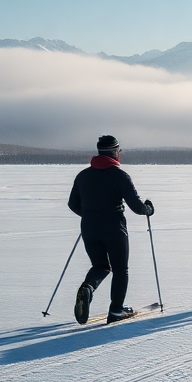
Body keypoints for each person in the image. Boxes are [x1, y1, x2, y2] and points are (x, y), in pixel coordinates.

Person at [68, 135, 154, 324]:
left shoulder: (83, 175)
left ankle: (88, 288)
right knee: (120, 269)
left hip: (90, 229)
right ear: (115, 152)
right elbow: (137, 207)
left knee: (100, 266)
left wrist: (90, 214)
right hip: (114, 229)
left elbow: (72, 204)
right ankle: (116, 311)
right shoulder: (119, 175)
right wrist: (148, 209)